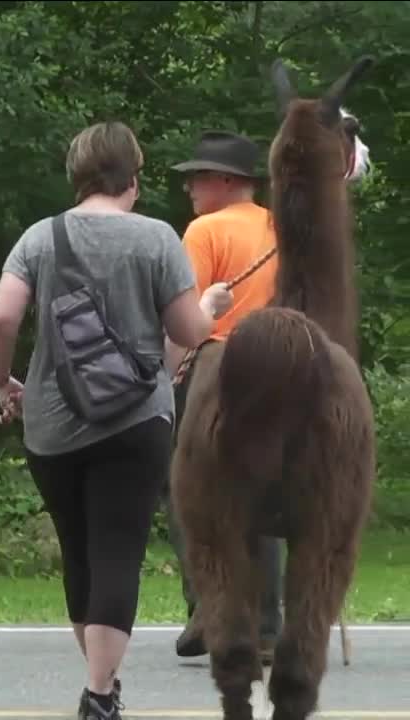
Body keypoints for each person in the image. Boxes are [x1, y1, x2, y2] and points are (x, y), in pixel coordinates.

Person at [0, 120, 232, 720]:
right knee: (118, 551)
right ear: (134, 179)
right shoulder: (156, 240)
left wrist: (1, 380)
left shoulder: (39, 239)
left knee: (80, 554)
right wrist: (209, 306)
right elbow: (188, 334)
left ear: (76, 176)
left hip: (51, 425)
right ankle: (99, 692)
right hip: (135, 422)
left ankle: (103, 685)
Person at [164, 122, 374, 662]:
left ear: (225, 181)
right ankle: (266, 619)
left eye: (197, 180)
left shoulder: (204, 232)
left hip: (224, 363)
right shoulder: (284, 226)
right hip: (300, 363)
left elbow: (188, 319)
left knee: (200, 489)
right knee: (282, 486)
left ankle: (211, 609)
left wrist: (167, 370)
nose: (190, 191)